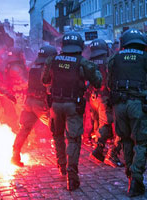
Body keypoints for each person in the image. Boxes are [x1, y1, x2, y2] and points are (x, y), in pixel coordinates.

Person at [42, 32, 102, 191]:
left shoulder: (52, 60)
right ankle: (71, 175)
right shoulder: (83, 62)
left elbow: (44, 80)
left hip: (55, 104)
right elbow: (98, 81)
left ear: (63, 46)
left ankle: (61, 166)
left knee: (58, 135)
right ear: (80, 47)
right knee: (74, 139)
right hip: (73, 105)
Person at [108, 28, 147, 197]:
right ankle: (136, 178)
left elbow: (109, 82)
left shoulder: (115, 58)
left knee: (126, 140)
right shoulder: (145, 57)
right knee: (142, 142)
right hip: (138, 105)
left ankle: (130, 177)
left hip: (119, 106)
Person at [11, 45, 57, 167]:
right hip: (41, 103)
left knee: (24, 129)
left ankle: (15, 155)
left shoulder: (33, 66)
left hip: (29, 102)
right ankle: (61, 158)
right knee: (56, 128)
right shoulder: (49, 68)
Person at [88, 39, 123, 168]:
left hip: (93, 97)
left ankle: (98, 149)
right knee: (107, 123)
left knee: (100, 123)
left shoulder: (90, 62)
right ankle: (100, 150)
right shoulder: (108, 62)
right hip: (104, 97)